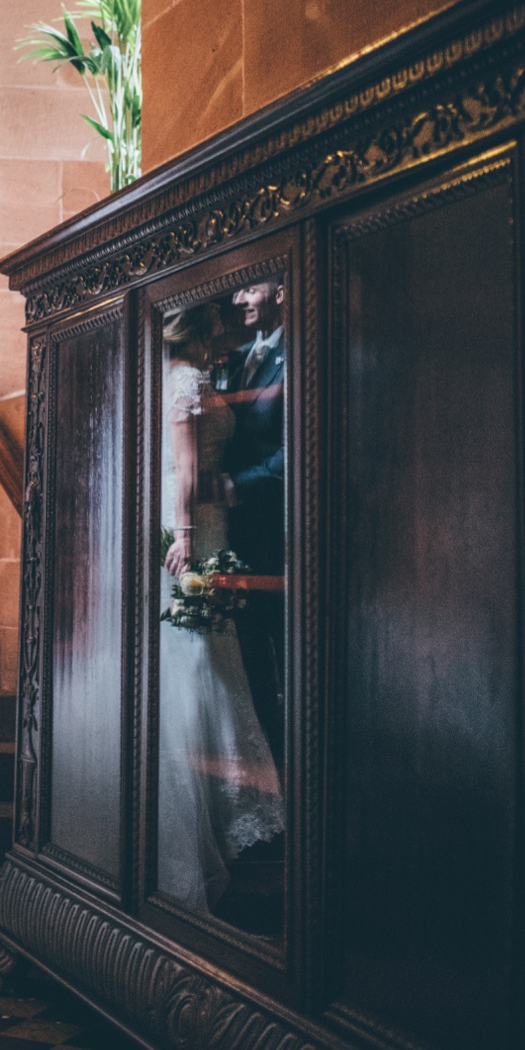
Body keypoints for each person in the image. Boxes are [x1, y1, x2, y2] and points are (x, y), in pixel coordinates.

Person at [156, 305, 283, 915]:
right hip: (197, 527)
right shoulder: (185, 380)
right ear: (204, 327)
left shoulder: (184, 375)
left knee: (208, 649)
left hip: (211, 522)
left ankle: (215, 813)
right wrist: (183, 536)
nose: (232, 323)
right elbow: (184, 465)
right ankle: (203, 814)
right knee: (200, 651)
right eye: (221, 318)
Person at [220, 281, 286, 774]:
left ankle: (291, 766)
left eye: (250, 289)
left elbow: (296, 448)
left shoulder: (298, 352)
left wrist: (236, 487)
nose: (239, 299)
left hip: (275, 532)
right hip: (226, 533)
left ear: (281, 292)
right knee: (242, 655)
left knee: (278, 649)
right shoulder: (236, 356)